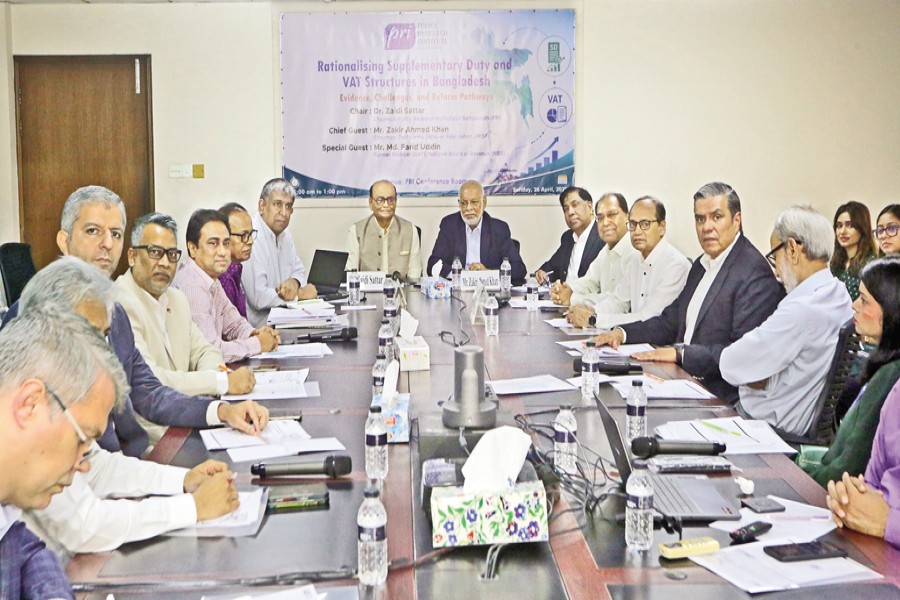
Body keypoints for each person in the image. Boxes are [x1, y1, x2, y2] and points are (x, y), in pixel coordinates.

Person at [1, 186, 269, 458]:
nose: (107, 243)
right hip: (80, 478)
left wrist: (223, 411)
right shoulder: (31, 316)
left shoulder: (114, 314)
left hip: (125, 462)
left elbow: (150, 392)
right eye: (93, 231)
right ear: (64, 240)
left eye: (115, 234)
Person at [591, 182, 784, 403]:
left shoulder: (753, 272)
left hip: (719, 397)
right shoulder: (701, 265)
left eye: (717, 217)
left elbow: (741, 354)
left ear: (736, 220)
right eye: (700, 219)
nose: (706, 227)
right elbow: (669, 322)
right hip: (680, 381)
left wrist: (681, 354)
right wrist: (621, 333)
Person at [0, 307, 129, 599]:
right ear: (30, 404)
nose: (84, 465)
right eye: (81, 440)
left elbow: (24, 550)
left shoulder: (8, 498)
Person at [719, 205, 853, 435]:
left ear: (791, 248)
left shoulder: (801, 310)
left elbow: (729, 363)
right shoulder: (839, 294)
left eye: (774, 256)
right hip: (796, 425)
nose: (776, 271)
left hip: (764, 428)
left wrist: (759, 373)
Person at [117, 212, 256, 398]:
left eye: (172, 254)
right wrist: (218, 382)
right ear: (132, 256)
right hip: (149, 424)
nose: (165, 263)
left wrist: (213, 380)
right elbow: (151, 379)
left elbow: (206, 351)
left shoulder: (177, 299)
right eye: (155, 253)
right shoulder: (120, 302)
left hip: (186, 410)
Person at [801, 257, 900, 487]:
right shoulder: (887, 367)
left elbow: (848, 469)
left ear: (891, 310)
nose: (855, 305)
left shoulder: (889, 377)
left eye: (864, 300)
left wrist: (799, 479)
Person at [173, 209, 280, 363]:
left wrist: (256, 334)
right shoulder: (192, 285)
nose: (223, 252)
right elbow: (211, 352)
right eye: (213, 244)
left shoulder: (211, 279)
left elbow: (234, 324)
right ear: (192, 248)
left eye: (226, 243)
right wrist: (258, 344)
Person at [568, 196, 690, 329]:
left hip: (663, 346)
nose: (637, 231)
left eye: (645, 224)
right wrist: (590, 313)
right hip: (634, 338)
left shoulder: (675, 265)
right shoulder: (636, 259)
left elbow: (649, 317)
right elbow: (618, 301)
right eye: (633, 224)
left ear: (662, 227)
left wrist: (594, 319)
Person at [826, 378, 900, 549]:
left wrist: (887, 521)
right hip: (876, 550)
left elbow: (880, 519)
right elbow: (872, 484)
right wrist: (848, 502)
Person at [242, 178, 317, 327]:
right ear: (262, 205)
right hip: (260, 328)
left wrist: (294, 283)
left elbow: (299, 272)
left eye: (288, 206)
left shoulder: (284, 234)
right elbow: (259, 298)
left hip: (285, 319)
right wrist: (300, 294)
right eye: (277, 204)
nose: (283, 213)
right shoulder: (251, 235)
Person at [550, 193, 637, 318]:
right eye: (600, 218)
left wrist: (573, 298)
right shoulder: (606, 251)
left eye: (612, 215)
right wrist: (566, 290)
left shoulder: (635, 252)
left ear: (627, 217)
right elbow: (589, 282)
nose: (605, 222)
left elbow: (617, 300)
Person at [426, 180, 526, 282]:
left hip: (489, 293)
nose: (469, 208)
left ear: (484, 202)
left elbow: (519, 269)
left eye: (474, 202)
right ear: (459, 204)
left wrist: (488, 273)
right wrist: (459, 274)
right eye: (464, 203)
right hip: (457, 290)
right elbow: (433, 264)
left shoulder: (498, 229)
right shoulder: (449, 225)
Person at [346, 179, 423, 280]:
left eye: (391, 200)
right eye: (380, 200)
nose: (386, 205)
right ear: (370, 203)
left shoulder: (411, 230)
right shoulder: (356, 231)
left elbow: (415, 276)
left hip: (401, 293)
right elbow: (351, 274)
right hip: (366, 294)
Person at [535, 186, 603, 286]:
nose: (570, 212)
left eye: (575, 205)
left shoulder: (602, 235)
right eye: (566, 209)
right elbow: (552, 267)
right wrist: (542, 273)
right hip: (563, 300)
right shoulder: (568, 238)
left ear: (589, 206)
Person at [830, 201, 876, 300]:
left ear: (862, 228)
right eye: (839, 226)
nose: (843, 231)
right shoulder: (835, 264)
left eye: (849, 225)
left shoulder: (871, 264)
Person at [218, 202, 255, 318]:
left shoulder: (234, 270)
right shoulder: (223, 278)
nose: (250, 241)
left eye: (251, 234)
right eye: (243, 236)